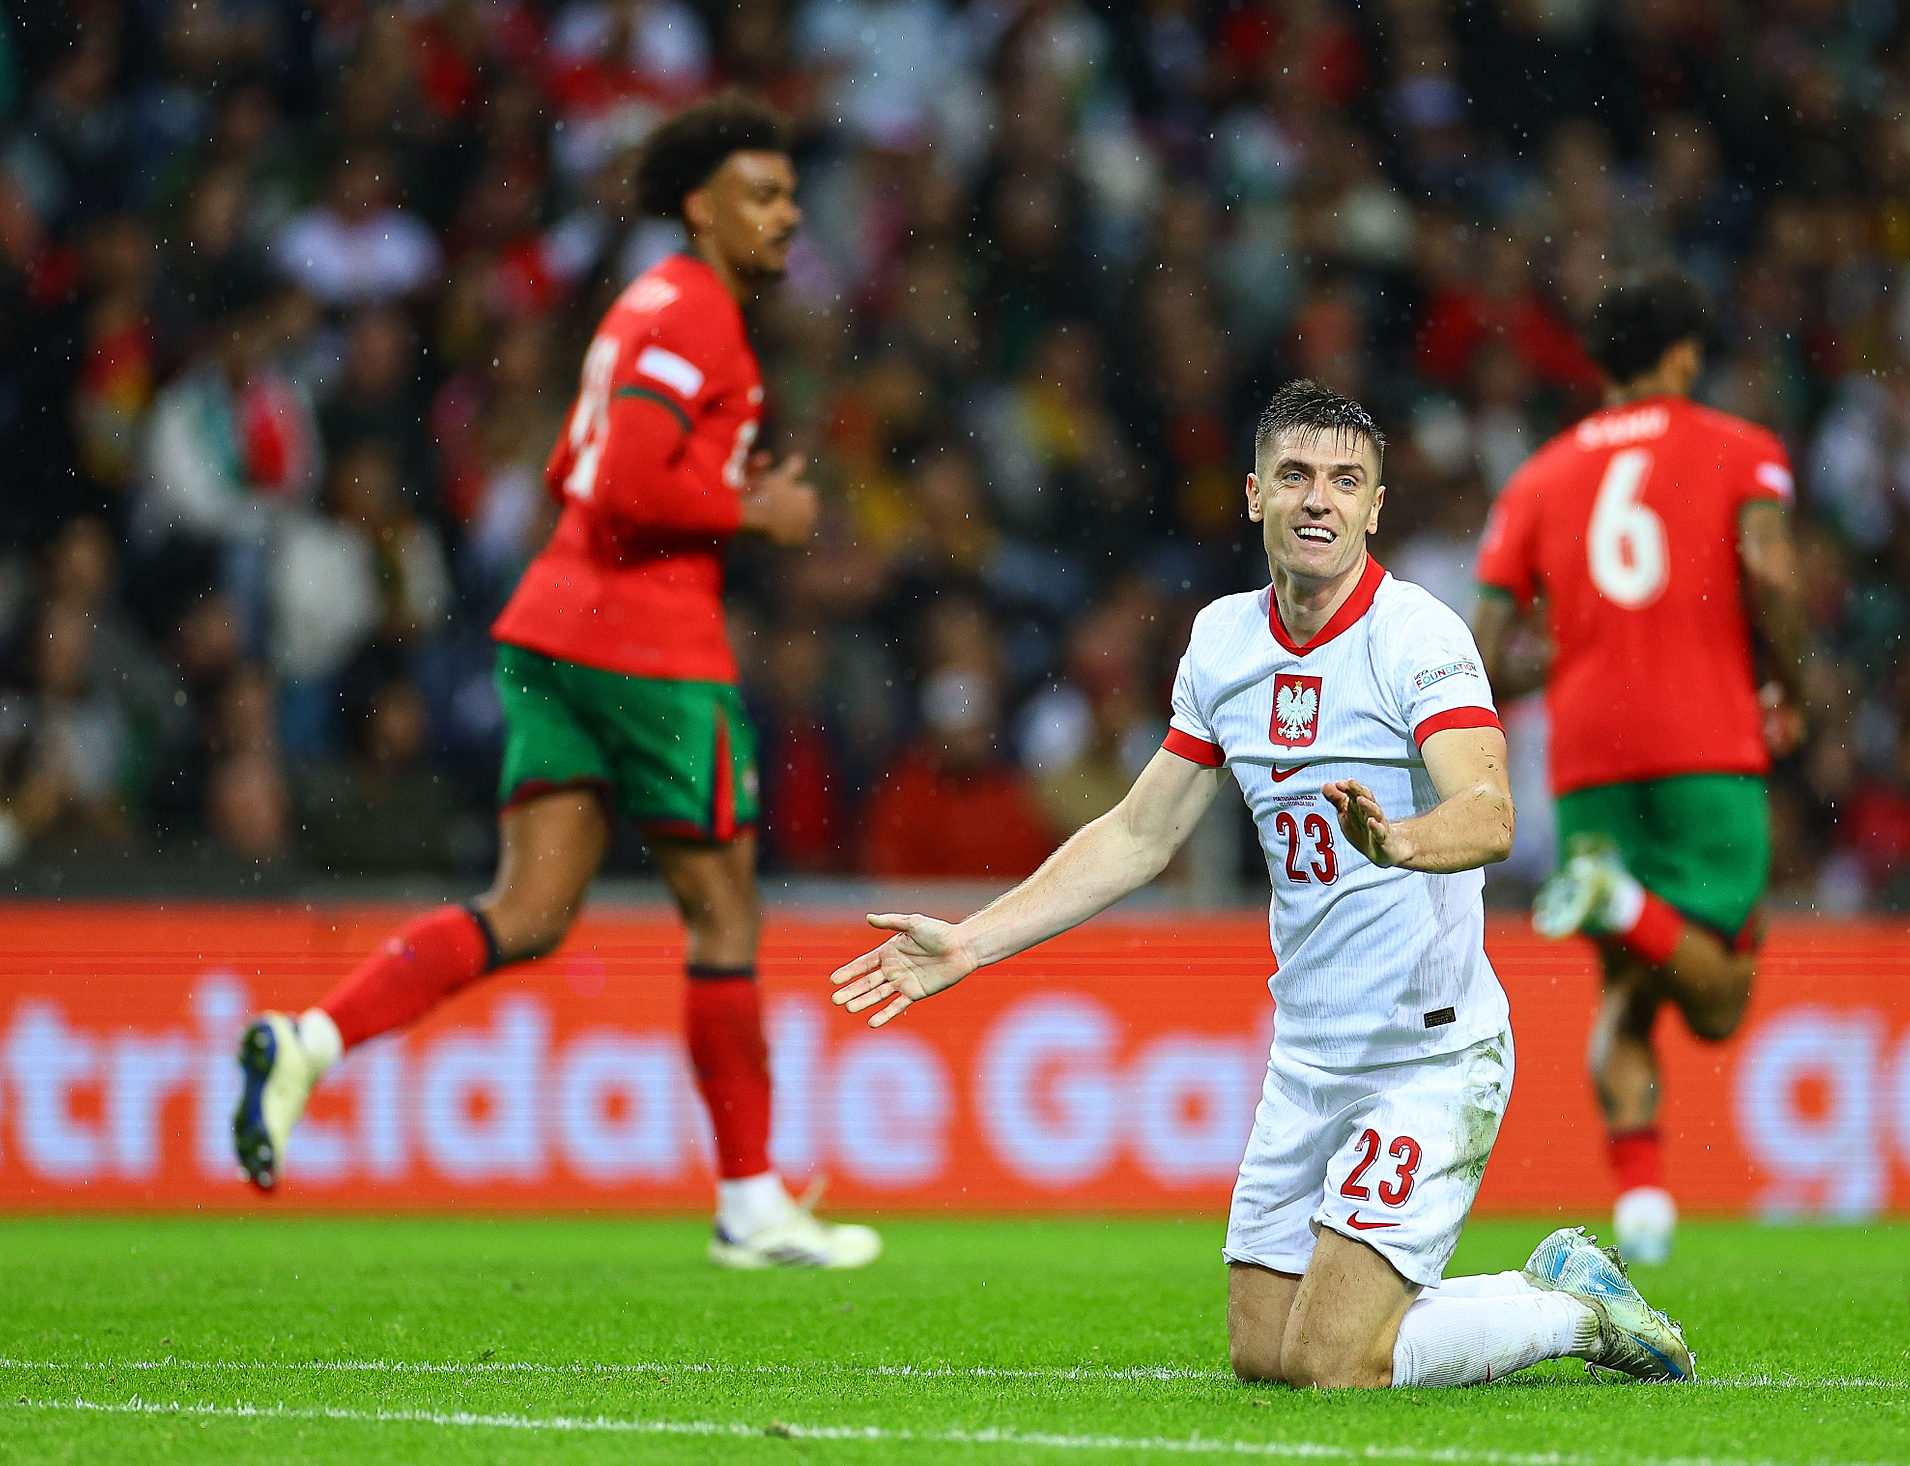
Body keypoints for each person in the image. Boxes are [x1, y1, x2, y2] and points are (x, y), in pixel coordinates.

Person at [827, 381, 1694, 1389]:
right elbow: (1141, 832)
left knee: (1333, 1363)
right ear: (1253, 494)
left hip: (1429, 1053)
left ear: (1375, 506)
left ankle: (1574, 1309)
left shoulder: (1419, 638)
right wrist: (973, 941)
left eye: (1343, 480)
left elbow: (1490, 812)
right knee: (1263, 1352)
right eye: (1294, 475)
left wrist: (1400, 840)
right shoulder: (1223, 645)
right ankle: (1546, 1284)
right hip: (1308, 1056)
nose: (1317, 498)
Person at [231, 91, 881, 1271]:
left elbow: (567, 459)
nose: (789, 215)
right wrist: (758, 509)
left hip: (549, 626)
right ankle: (750, 1200)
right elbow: (628, 479)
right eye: (763, 194)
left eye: (792, 194)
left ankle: (312, 1037)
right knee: (726, 911)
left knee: (528, 912)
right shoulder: (698, 314)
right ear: (699, 203)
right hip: (648, 647)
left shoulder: (643, 304)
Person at [1470, 269, 1809, 1267]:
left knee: (1628, 987)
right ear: (1683, 356)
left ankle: (1644, 1210)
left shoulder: (1537, 476)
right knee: (1720, 1001)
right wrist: (1790, 683)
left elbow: (1485, 646)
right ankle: (1616, 899)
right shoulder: (1741, 450)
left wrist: (1566, 655)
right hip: (1705, 741)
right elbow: (1774, 571)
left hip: (1588, 758)